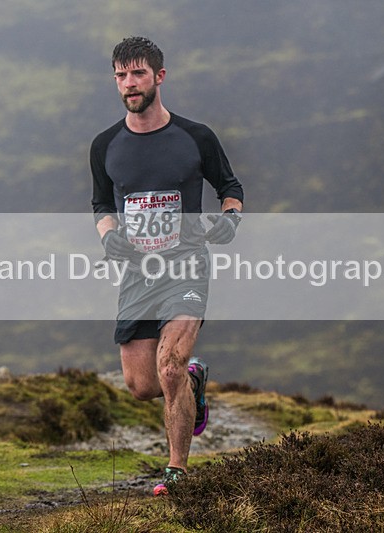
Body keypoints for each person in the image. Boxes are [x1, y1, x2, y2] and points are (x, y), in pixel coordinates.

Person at [90, 37, 244, 496]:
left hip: (187, 264)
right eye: (120, 75)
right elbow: (101, 202)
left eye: (137, 74)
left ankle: (175, 472)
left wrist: (230, 220)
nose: (128, 84)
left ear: (159, 76)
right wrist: (109, 235)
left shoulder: (196, 137)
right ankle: (194, 381)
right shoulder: (105, 145)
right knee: (141, 384)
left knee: (170, 365)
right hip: (138, 273)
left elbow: (230, 187)